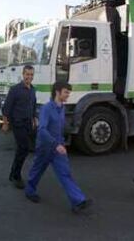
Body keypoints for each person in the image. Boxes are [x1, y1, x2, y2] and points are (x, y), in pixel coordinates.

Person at [24, 82, 92, 213]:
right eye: (66, 92)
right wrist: (55, 144)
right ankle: (30, 190)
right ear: (57, 92)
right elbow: (42, 130)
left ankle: (78, 201)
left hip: (58, 147)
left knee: (65, 173)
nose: (68, 95)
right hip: (45, 147)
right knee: (37, 170)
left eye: (68, 93)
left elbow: (60, 128)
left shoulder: (62, 108)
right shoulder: (46, 108)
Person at [2, 65, 38, 189]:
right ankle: (16, 176)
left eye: (31, 75)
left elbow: (33, 105)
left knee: (24, 149)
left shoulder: (33, 89)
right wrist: (5, 123)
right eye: (27, 74)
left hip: (28, 123)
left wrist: (34, 118)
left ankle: (13, 173)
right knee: (24, 148)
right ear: (23, 75)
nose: (29, 77)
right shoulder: (15, 89)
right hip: (17, 123)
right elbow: (6, 108)